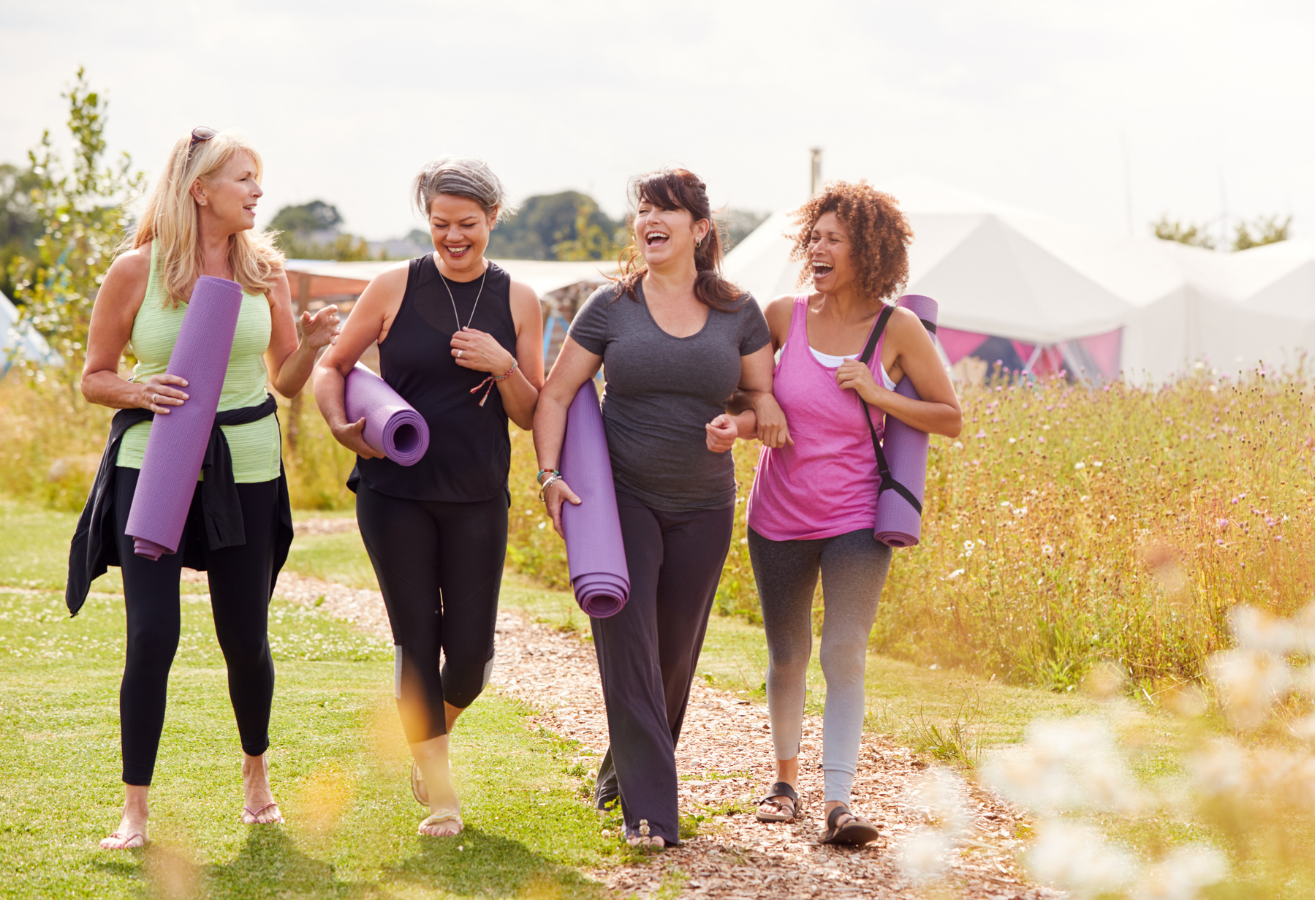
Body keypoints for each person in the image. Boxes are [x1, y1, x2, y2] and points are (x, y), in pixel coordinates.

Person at [69, 127, 341, 850]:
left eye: (258, 178)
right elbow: (94, 376)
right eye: (244, 179)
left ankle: (256, 777)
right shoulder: (137, 271)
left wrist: (310, 348)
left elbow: (284, 382)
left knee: (245, 638)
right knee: (152, 637)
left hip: (247, 463)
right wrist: (137, 386)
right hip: (152, 467)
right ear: (200, 190)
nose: (257, 191)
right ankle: (135, 809)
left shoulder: (267, 272)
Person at [533, 168, 783, 849]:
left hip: (705, 504)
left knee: (673, 654)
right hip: (623, 500)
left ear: (699, 229)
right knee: (629, 643)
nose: (649, 218)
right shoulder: (610, 307)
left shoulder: (739, 310)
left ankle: (622, 771)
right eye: (643, 207)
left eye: (665, 209)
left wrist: (743, 427)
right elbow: (555, 395)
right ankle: (651, 815)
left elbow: (764, 402)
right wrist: (549, 474)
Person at [312, 157, 544, 838]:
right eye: (441, 223)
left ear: (493, 218)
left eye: (467, 224)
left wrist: (503, 365)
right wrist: (338, 425)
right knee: (418, 641)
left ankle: (424, 738)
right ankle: (443, 796)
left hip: (477, 494)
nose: (453, 237)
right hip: (394, 491)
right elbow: (334, 365)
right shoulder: (392, 286)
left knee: (469, 658)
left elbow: (531, 413)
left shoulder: (520, 300)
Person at [741, 181, 962, 845]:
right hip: (776, 513)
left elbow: (951, 418)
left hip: (857, 520)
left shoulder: (898, 330)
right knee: (788, 653)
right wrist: (760, 413)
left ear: (868, 250)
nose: (818, 247)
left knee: (843, 651)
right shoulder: (782, 317)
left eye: (833, 238)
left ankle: (839, 799)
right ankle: (784, 784)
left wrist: (878, 392)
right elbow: (743, 393)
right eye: (814, 236)